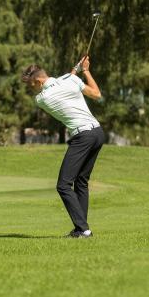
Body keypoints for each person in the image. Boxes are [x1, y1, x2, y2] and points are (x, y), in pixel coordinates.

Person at [21, 56, 105, 238]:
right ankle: (80, 229)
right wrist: (85, 71)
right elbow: (96, 94)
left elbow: (60, 82)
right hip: (98, 133)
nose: (31, 90)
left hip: (82, 136)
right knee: (81, 182)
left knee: (63, 185)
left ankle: (83, 229)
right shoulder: (71, 80)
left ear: (38, 81)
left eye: (31, 85)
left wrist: (75, 71)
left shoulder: (41, 99)